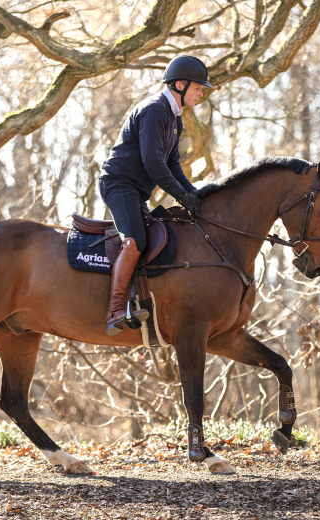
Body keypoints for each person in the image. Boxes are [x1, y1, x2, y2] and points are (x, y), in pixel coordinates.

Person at [98, 55, 212, 335]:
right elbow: (153, 163)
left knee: (155, 239)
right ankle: (114, 312)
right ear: (180, 85)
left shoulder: (175, 120)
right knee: (135, 241)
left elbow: (173, 164)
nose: (201, 93)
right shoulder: (154, 110)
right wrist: (180, 195)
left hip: (135, 190)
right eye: (198, 87)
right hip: (118, 184)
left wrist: (192, 194)